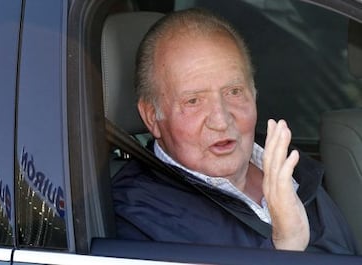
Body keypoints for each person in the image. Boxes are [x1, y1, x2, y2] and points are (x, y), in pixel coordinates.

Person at [111, 8, 357, 254]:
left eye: (234, 92)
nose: (221, 120)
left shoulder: (292, 167)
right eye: (193, 101)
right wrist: (285, 249)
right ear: (152, 117)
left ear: (254, 94)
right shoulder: (134, 215)